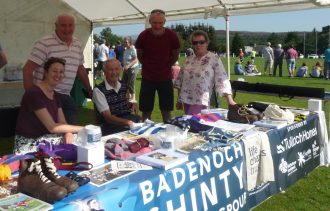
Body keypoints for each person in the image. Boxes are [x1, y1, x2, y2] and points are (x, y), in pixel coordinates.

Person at [22, 14, 93, 124]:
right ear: (55, 26)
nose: (67, 29)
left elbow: (80, 69)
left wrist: (89, 90)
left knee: (71, 132)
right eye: (63, 25)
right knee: (51, 133)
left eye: (70, 25)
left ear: (74, 26)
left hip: (66, 96)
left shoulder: (77, 44)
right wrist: (31, 95)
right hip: (46, 96)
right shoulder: (44, 43)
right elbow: (27, 69)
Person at [14, 57, 83, 155]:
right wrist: (84, 129)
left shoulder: (54, 95)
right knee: (80, 143)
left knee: (79, 143)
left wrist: (68, 133)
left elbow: (62, 122)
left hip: (47, 140)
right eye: (54, 71)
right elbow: (52, 127)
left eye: (61, 72)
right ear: (46, 72)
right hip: (29, 145)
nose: (58, 75)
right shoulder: (34, 93)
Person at [174, 30, 236, 115]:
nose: (198, 45)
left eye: (201, 42)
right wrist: (179, 100)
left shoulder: (214, 59)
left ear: (207, 43)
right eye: (195, 42)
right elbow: (181, 80)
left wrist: (230, 100)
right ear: (192, 44)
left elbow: (222, 79)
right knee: (191, 124)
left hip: (201, 100)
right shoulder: (188, 59)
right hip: (186, 100)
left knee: (195, 123)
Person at [135, 9, 180, 122]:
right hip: (147, 78)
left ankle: (168, 133)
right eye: (155, 23)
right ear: (150, 21)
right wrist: (149, 66)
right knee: (146, 111)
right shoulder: (143, 35)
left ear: (164, 22)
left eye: (160, 23)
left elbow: (175, 55)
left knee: (166, 111)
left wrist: (166, 66)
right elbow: (140, 56)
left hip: (165, 78)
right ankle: (145, 135)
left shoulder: (172, 35)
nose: (157, 25)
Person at [93, 59, 140, 136]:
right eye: (110, 70)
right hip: (110, 127)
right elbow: (108, 118)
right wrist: (127, 122)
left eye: (116, 69)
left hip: (127, 121)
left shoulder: (123, 85)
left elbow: (123, 103)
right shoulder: (98, 90)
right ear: (104, 72)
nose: (114, 72)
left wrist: (131, 104)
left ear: (120, 71)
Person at [122, 36, 139, 103]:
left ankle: (133, 97)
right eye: (124, 42)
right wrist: (124, 66)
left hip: (133, 68)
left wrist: (128, 66)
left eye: (126, 42)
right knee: (124, 82)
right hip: (126, 68)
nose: (125, 43)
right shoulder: (126, 49)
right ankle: (128, 96)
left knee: (131, 82)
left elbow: (135, 59)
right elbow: (125, 59)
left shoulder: (133, 49)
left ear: (130, 42)